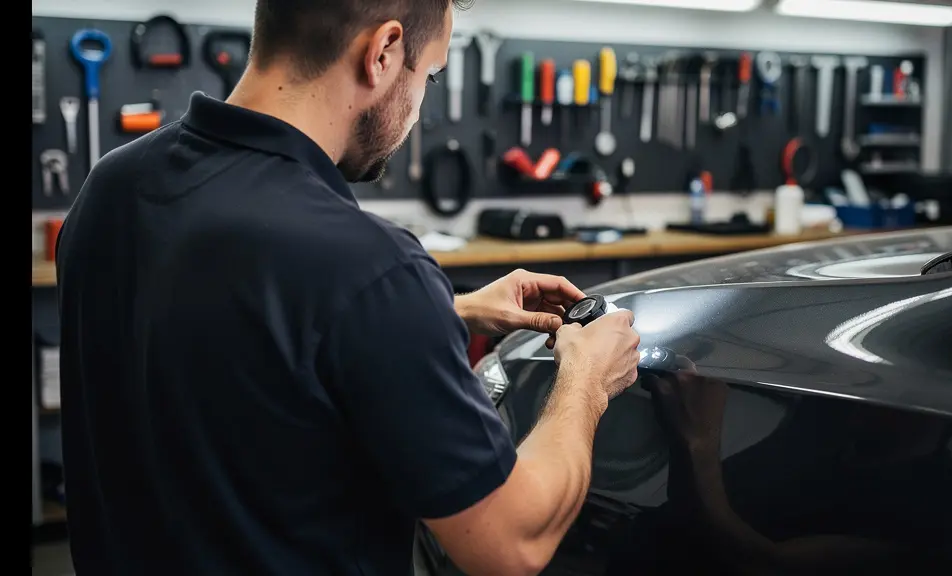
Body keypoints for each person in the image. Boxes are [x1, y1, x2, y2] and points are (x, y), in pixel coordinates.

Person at [54, 1, 641, 574]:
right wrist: (587, 377)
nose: (416, 111)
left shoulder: (112, 187)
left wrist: (440, 315)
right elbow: (511, 542)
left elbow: (221, 344)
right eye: (428, 76)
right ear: (383, 52)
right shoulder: (371, 267)